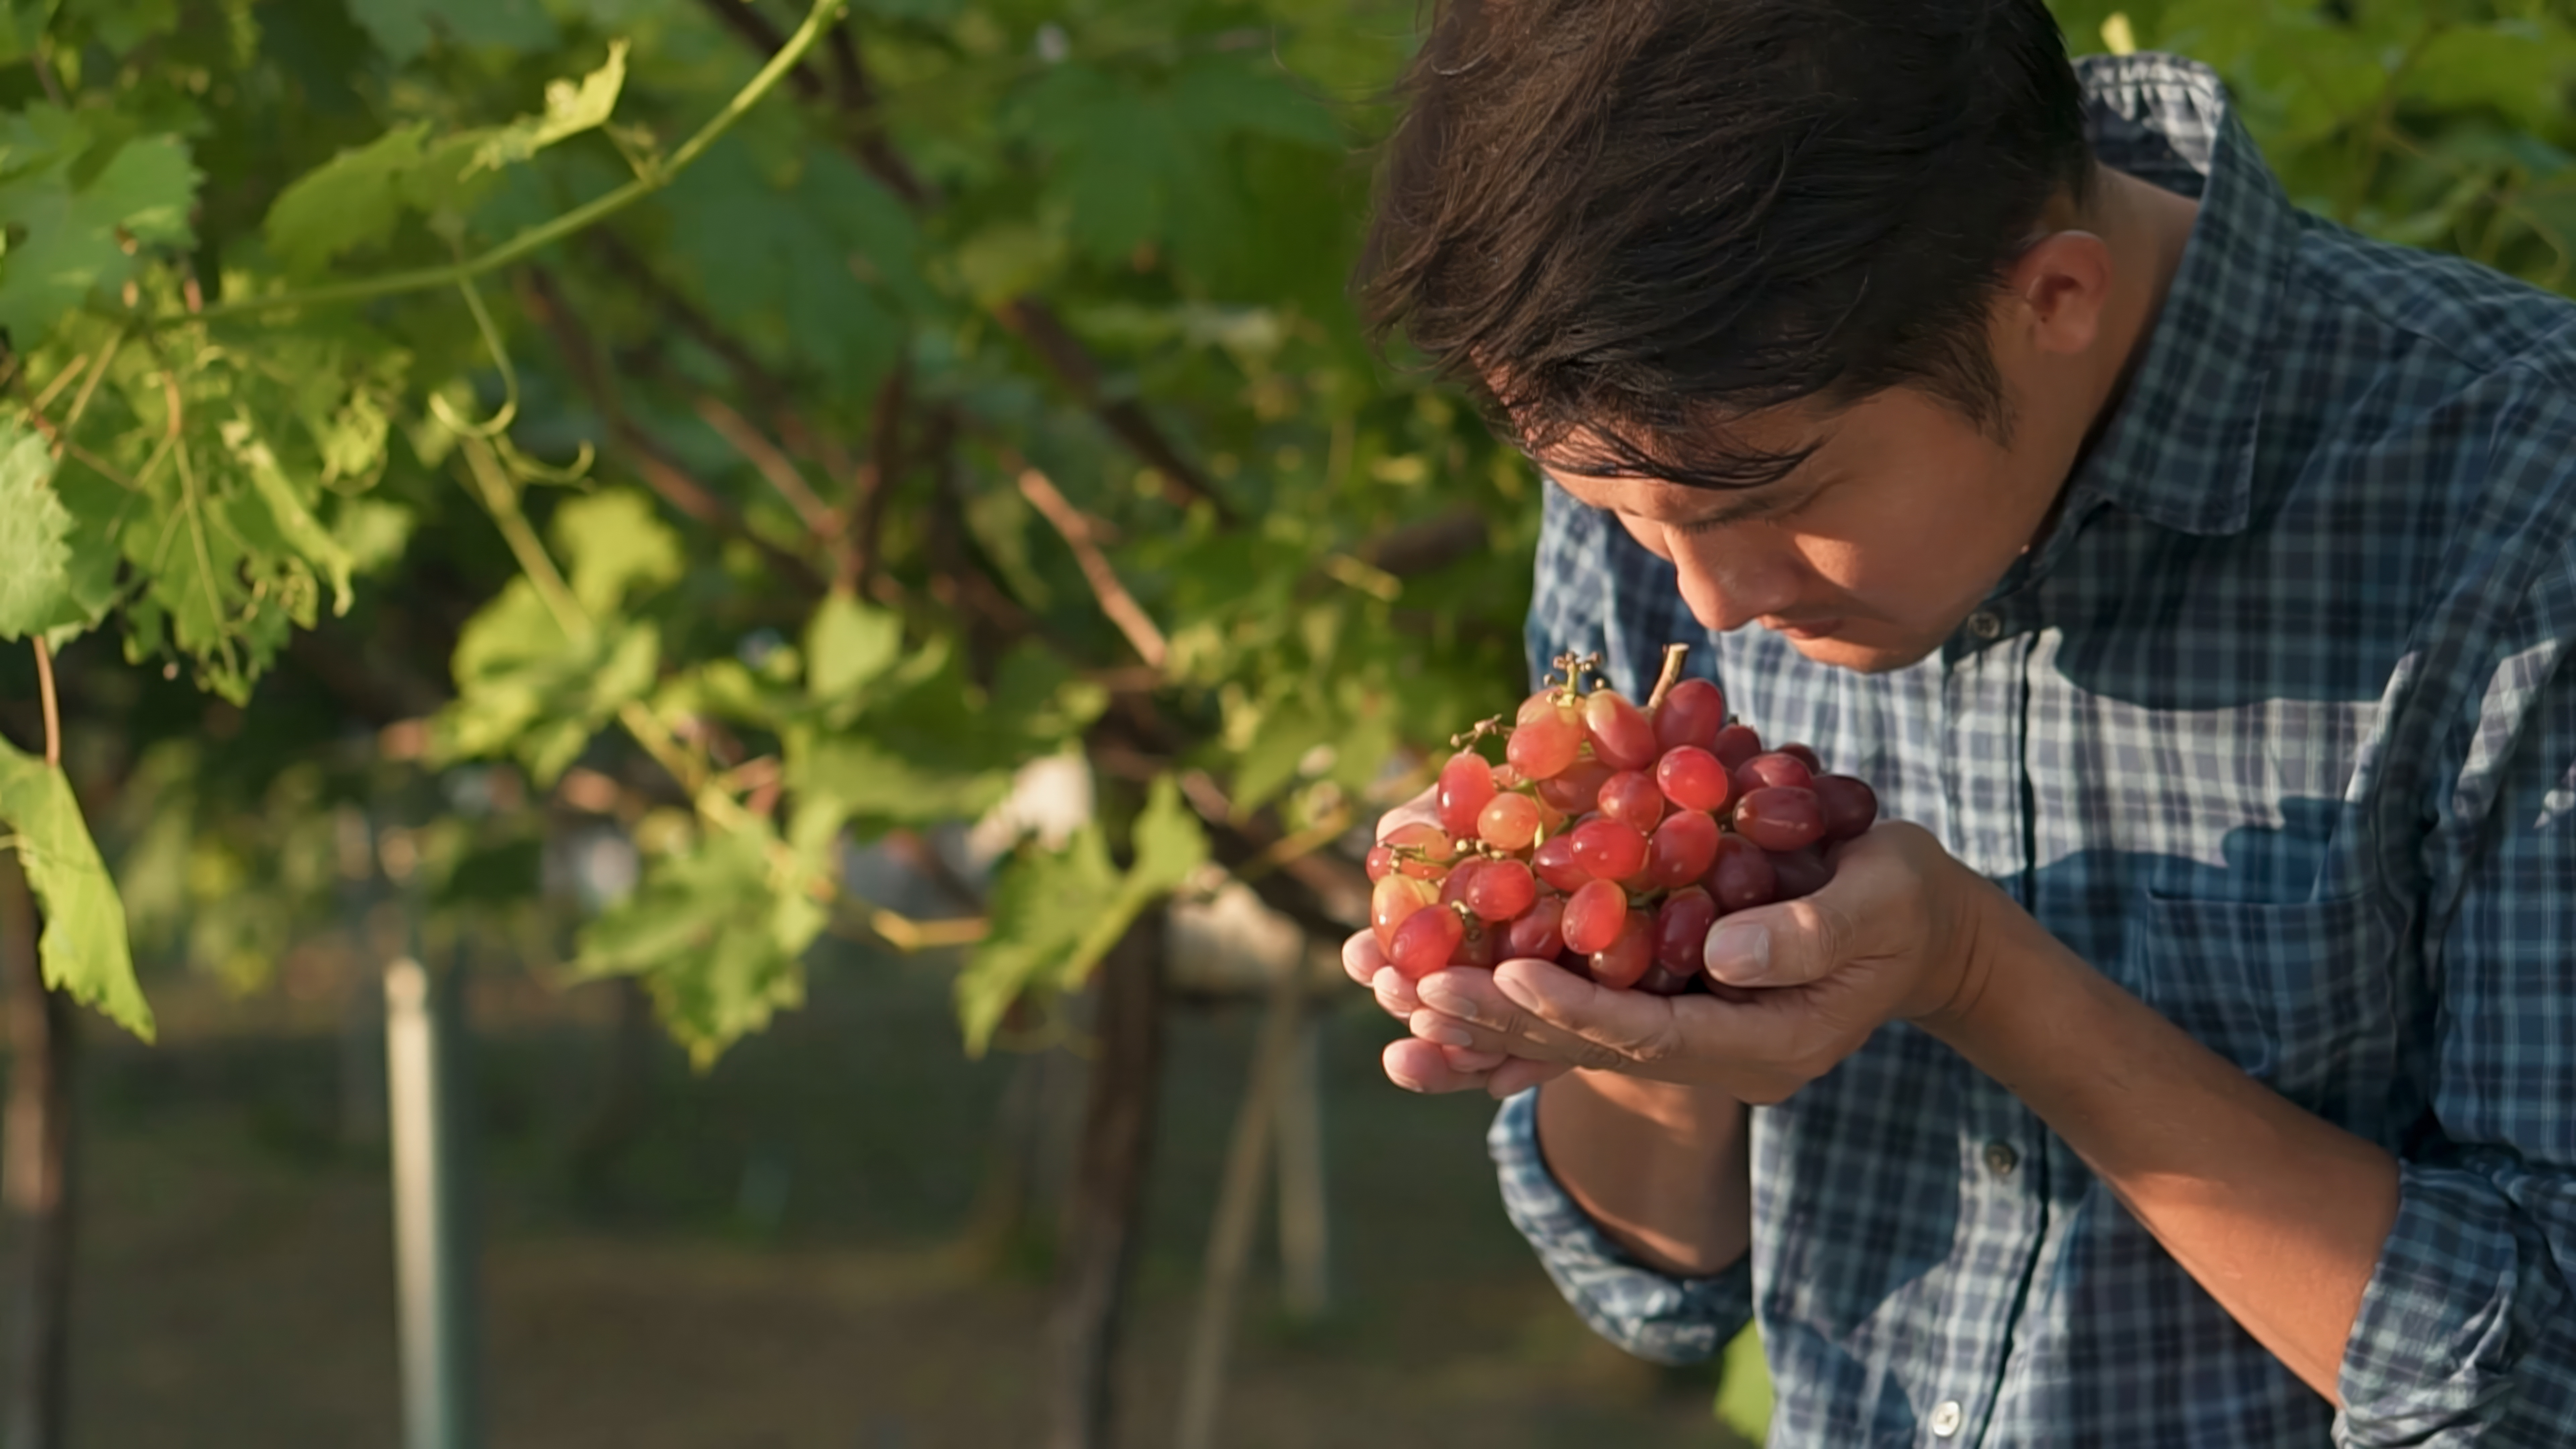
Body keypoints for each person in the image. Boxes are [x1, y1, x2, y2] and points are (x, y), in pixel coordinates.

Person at [1340, 1, 2576, 1444]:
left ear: (2053, 298)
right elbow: (1653, 1285)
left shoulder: (2521, 505)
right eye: (1615, 515)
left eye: (1781, 508)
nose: (1710, 603)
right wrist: (1631, 1035)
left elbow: (2544, 1376)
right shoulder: (1675, 416)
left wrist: (1986, 978)